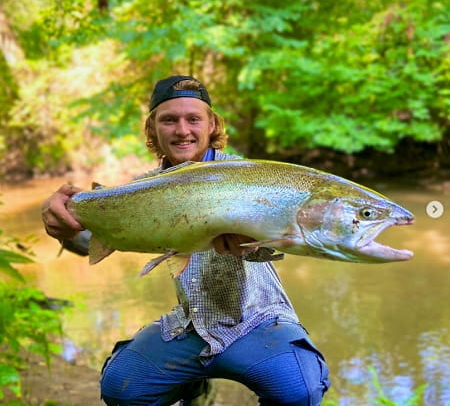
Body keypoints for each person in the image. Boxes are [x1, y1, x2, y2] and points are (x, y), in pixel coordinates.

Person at [41, 75, 330, 406]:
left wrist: (253, 245)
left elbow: (278, 240)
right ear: (153, 130)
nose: (182, 130)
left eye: (193, 119)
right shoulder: (140, 190)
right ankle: (190, 388)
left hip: (259, 319)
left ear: (211, 125)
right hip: (193, 324)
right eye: (169, 120)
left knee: (300, 392)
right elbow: (90, 240)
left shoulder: (246, 174)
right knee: (122, 388)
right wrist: (58, 223)